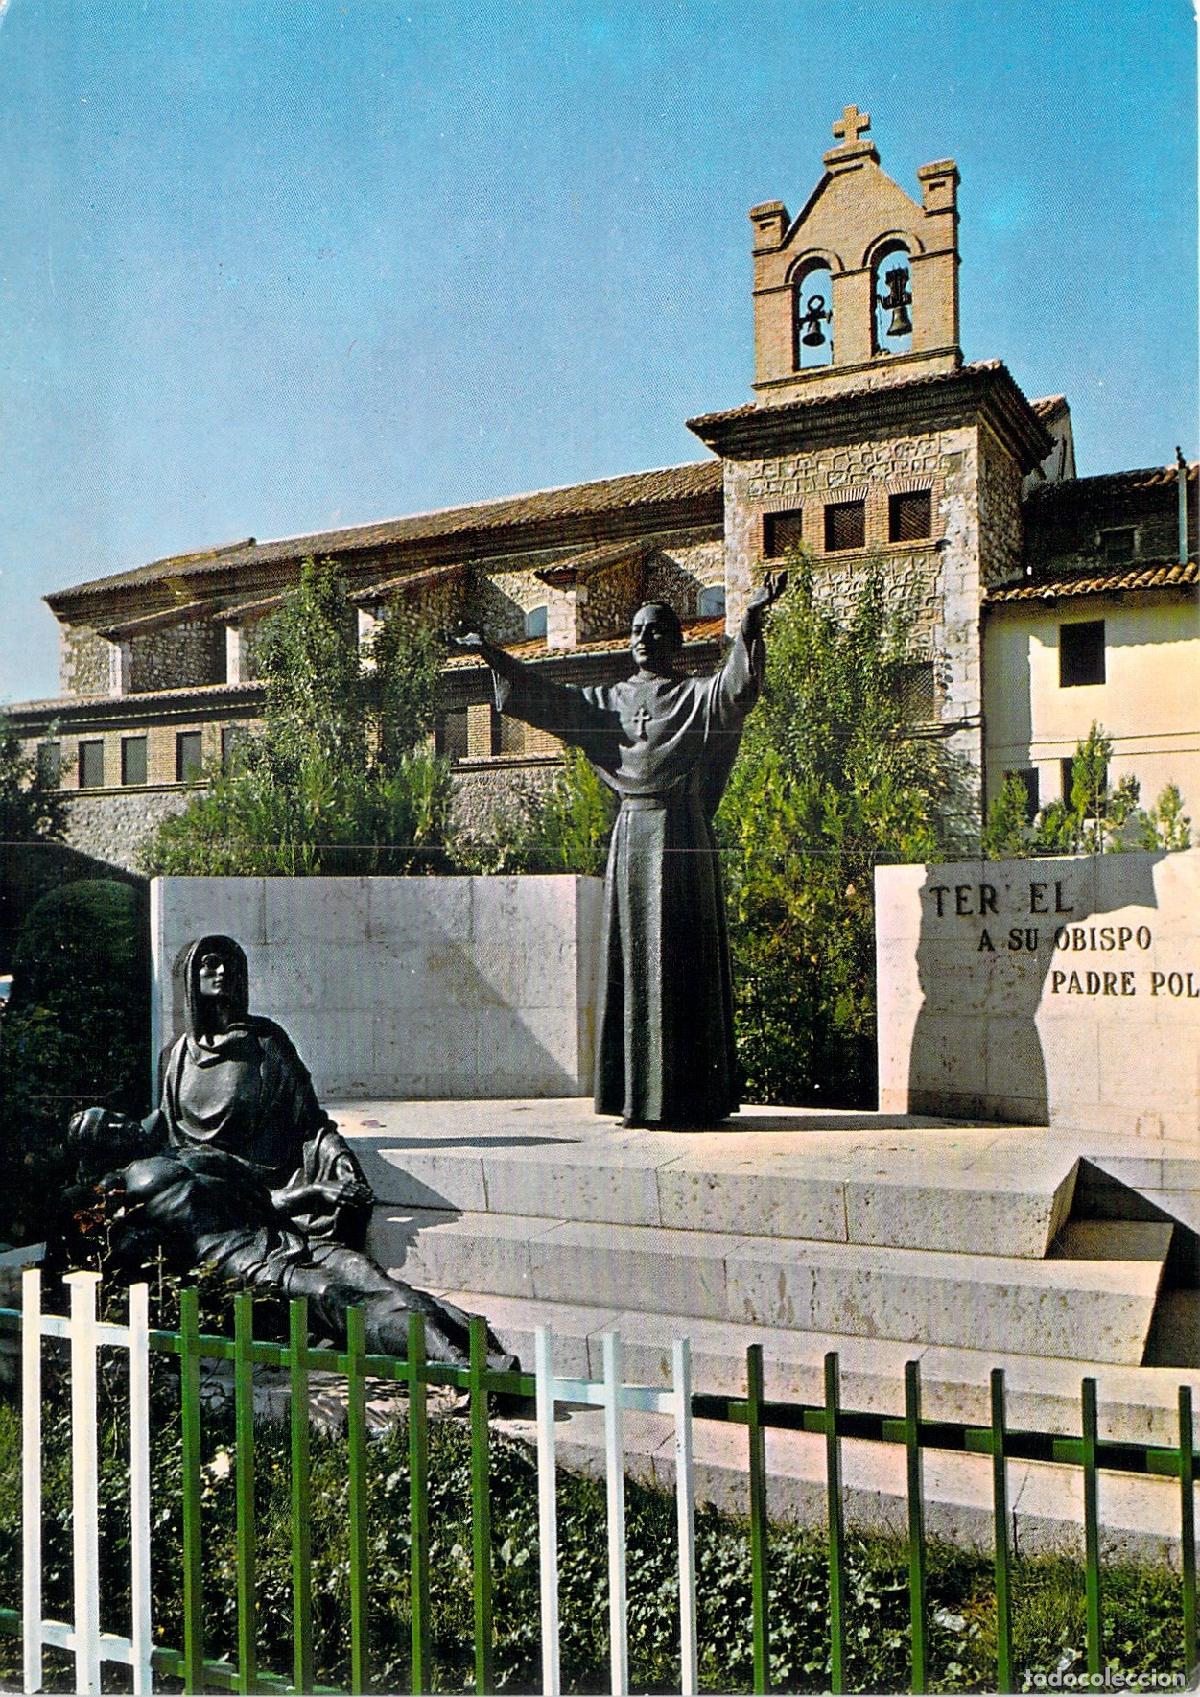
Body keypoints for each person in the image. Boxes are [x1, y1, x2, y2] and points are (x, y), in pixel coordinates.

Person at [455, 574, 786, 1127]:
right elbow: (548, 700)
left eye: (655, 631)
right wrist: (494, 655)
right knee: (635, 963)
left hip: (682, 835)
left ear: (675, 641)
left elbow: (736, 690)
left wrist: (750, 620)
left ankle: (691, 1098)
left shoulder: (695, 696)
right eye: (636, 631)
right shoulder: (608, 703)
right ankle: (637, 1097)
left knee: (683, 962)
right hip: (631, 836)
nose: (643, 639)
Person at [67, 1113, 516, 1372]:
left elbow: (268, 1198)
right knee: (335, 1297)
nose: (121, 1123)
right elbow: (111, 1247)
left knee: (375, 1281)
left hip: (281, 1237)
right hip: (241, 1264)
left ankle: (479, 1356)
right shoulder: (117, 1190)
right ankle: (462, 1367)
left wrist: (316, 1190)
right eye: (107, 1130)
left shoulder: (187, 1152)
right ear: (99, 1151)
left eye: (114, 1117)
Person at [147, 933, 372, 1248]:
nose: (222, 971)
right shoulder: (179, 1054)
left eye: (231, 964)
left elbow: (311, 1125)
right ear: (191, 977)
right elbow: (163, 1129)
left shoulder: (267, 1042)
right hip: (202, 1188)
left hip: (263, 1185)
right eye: (210, 963)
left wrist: (341, 1161)